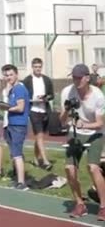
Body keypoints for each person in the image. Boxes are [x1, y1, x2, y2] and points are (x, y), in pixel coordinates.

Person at [60, 63, 105, 221]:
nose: (76, 80)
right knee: (69, 168)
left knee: (93, 168)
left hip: (95, 133)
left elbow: (100, 123)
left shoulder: (98, 95)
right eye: (73, 77)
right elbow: (62, 121)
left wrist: (84, 124)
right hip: (75, 132)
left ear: (87, 78)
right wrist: (66, 110)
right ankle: (80, 204)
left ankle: (103, 206)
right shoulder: (67, 92)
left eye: (79, 77)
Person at [1, 64, 31, 190]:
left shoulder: (19, 88)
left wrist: (6, 108)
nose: (9, 77)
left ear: (17, 74)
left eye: (11, 75)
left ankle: (21, 182)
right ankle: (18, 178)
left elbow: (20, 107)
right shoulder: (12, 89)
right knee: (14, 153)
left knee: (17, 153)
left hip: (18, 124)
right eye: (6, 75)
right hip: (11, 123)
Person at [22, 57, 54, 170]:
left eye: (39, 67)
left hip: (44, 110)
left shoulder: (46, 79)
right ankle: (45, 161)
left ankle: (36, 159)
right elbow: (24, 97)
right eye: (35, 67)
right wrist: (33, 100)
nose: (38, 69)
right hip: (33, 110)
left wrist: (46, 98)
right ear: (32, 67)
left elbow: (51, 94)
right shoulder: (27, 80)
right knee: (39, 135)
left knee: (39, 136)